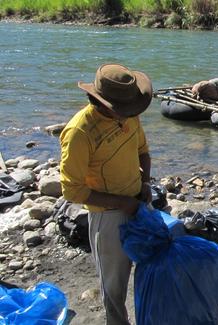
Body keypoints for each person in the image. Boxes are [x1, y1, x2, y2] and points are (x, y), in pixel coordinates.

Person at [60, 63, 153, 325]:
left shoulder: (129, 113)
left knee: (154, 265)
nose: (128, 115)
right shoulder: (80, 131)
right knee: (114, 287)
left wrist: (145, 183)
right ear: (102, 103)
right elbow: (72, 190)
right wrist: (123, 204)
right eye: (121, 111)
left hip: (138, 201)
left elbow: (143, 152)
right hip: (108, 215)